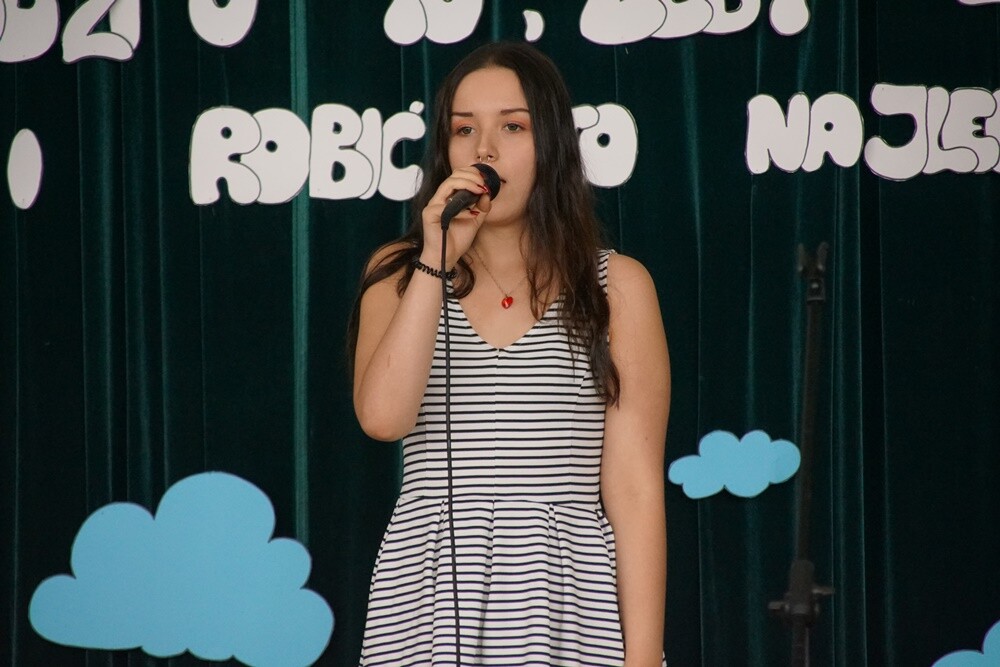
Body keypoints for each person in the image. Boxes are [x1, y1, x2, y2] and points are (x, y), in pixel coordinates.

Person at [348, 41, 670, 667]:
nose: (484, 150)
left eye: (513, 127)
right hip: (429, 603)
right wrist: (435, 258)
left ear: (552, 144)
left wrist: (642, 659)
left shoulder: (618, 286)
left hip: (567, 605)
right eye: (464, 129)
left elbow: (634, 491)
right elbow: (384, 418)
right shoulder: (399, 272)